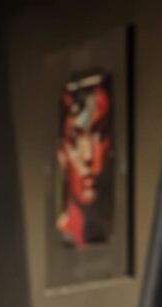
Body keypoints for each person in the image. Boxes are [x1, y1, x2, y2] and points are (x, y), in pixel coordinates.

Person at [56, 71, 113, 248]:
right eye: (76, 141)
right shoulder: (68, 228)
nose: (88, 156)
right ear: (62, 154)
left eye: (98, 136)